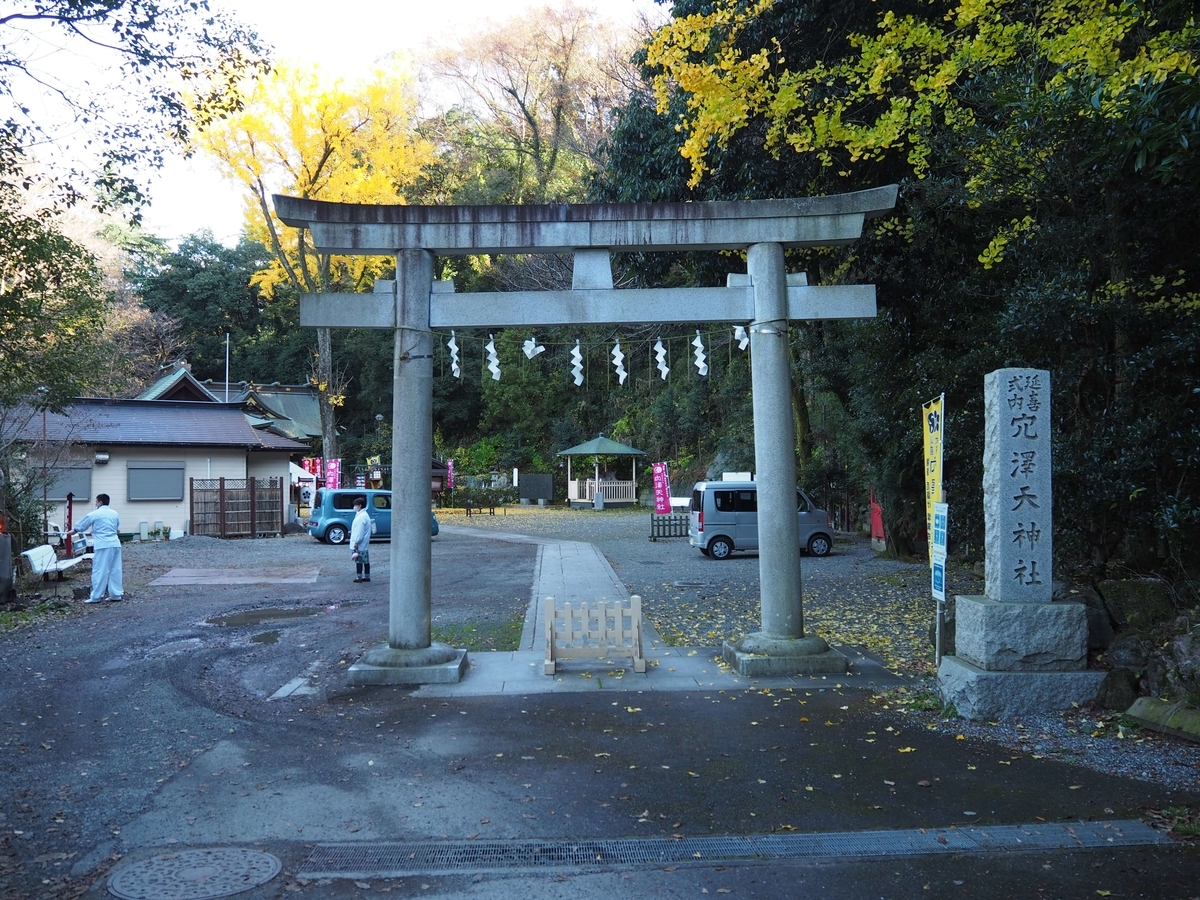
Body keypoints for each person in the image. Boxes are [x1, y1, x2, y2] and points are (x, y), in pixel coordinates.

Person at [74, 493, 123, 603]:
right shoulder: (114, 513)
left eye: (96, 501)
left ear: (100, 502)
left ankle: (96, 596)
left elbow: (81, 525)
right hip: (115, 543)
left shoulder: (95, 514)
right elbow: (114, 526)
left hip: (103, 545)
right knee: (115, 569)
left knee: (100, 570)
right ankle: (116, 593)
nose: (95, 504)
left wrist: (74, 531)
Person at [349, 497, 372, 583]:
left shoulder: (361, 517)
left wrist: (356, 542)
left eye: (355, 505)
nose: (354, 507)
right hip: (364, 542)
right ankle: (367, 576)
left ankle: (359, 577)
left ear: (359, 506)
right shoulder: (364, 515)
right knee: (365, 560)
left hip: (360, 543)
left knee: (358, 559)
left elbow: (360, 531)